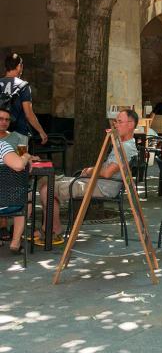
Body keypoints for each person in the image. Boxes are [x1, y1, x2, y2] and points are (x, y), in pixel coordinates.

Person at [38, 109, 139, 244]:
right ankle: (49, 228)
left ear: (131, 124)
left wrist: (90, 171)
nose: (115, 125)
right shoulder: (122, 143)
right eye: (115, 122)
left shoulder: (126, 147)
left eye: (119, 122)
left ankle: (53, 231)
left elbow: (108, 173)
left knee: (47, 189)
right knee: (45, 180)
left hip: (102, 186)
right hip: (95, 182)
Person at [0, 53, 48, 145]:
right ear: (19, 66)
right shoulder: (23, 86)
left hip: (1, 134)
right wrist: (41, 131)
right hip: (20, 135)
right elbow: (28, 114)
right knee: (21, 158)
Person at [0, 130, 33, 254]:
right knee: (26, 197)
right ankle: (15, 242)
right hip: (6, 203)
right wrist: (26, 156)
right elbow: (19, 165)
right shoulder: (2, 146)